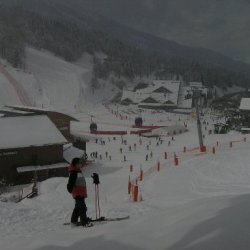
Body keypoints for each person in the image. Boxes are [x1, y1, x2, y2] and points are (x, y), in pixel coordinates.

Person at [67, 158, 90, 227]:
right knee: (82, 208)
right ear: (75, 164)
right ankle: (84, 222)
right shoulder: (74, 172)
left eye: (80, 163)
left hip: (81, 192)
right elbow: (70, 183)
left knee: (78, 207)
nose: (80, 164)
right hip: (78, 193)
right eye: (79, 163)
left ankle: (73, 221)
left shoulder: (77, 171)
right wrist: (70, 189)